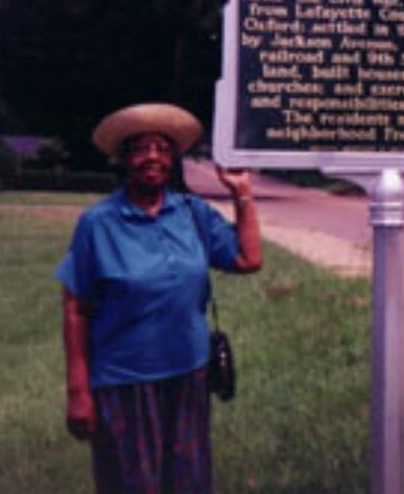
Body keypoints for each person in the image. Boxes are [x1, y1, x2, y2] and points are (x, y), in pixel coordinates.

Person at [55, 102, 262, 494]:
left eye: (163, 148)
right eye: (140, 147)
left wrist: (242, 193)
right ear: (123, 159)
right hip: (123, 385)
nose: (153, 156)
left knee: (189, 483)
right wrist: (78, 392)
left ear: (173, 160)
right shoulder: (98, 224)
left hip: (189, 377)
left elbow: (248, 259)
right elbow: (75, 308)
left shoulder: (192, 213)